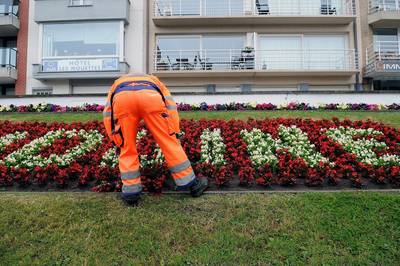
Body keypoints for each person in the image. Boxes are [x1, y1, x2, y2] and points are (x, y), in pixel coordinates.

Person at [103, 73, 208, 206]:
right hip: (151, 98)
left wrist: (116, 140)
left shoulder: (117, 83)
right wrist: (173, 130)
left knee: (126, 148)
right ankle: (191, 184)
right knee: (169, 143)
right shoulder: (154, 80)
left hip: (122, 100)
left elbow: (108, 113)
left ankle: (131, 193)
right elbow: (170, 105)